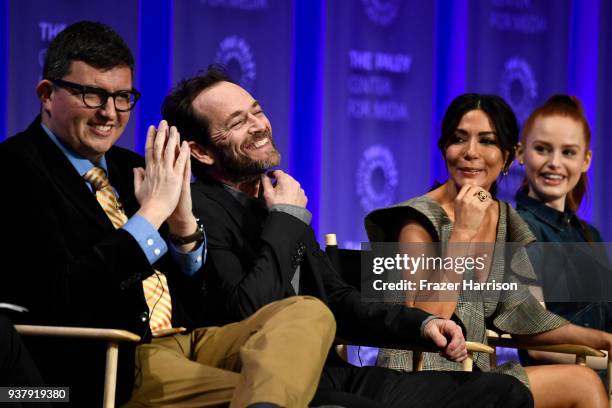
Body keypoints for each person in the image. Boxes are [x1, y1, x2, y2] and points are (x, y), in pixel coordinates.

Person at [0, 21, 336, 407]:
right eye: (92, 95)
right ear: (47, 94)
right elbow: (63, 293)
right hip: (113, 360)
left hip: (187, 339)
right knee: (306, 400)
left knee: (307, 312)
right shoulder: (14, 170)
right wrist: (152, 213)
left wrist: (182, 228)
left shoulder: (134, 167)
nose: (109, 113)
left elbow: (204, 303)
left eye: (122, 96)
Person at [162, 66, 535, 408]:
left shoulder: (275, 198)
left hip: (332, 372)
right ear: (200, 152)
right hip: (265, 383)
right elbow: (246, 314)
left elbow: (336, 298)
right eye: (237, 122)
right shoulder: (198, 210)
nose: (258, 125)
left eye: (256, 111)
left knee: (503, 392)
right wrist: (287, 218)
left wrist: (420, 325)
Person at [364, 93, 612, 408]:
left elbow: (524, 318)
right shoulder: (419, 218)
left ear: (507, 157)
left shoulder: (503, 218)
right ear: (445, 150)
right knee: (582, 382)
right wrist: (463, 233)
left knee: (585, 382)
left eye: (486, 141)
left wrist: (602, 340)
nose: (471, 152)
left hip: (472, 376)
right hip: (416, 380)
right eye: (459, 139)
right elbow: (425, 322)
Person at [514, 95, 612, 374]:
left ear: (586, 160)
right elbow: (535, 342)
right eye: (543, 149)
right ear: (521, 153)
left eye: (568, 152)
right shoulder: (517, 227)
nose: (554, 162)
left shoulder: (589, 234)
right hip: (560, 386)